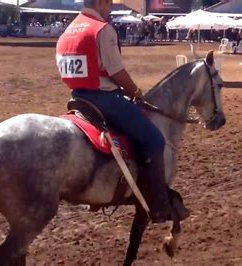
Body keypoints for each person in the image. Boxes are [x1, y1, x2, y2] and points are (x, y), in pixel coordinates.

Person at [55, 0, 173, 223]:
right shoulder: (102, 29)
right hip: (104, 99)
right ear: (100, 2)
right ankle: (159, 205)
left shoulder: (67, 32)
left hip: (78, 98)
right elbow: (117, 72)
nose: (110, 8)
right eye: (109, 3)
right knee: (155, 139)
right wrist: (136, 91)